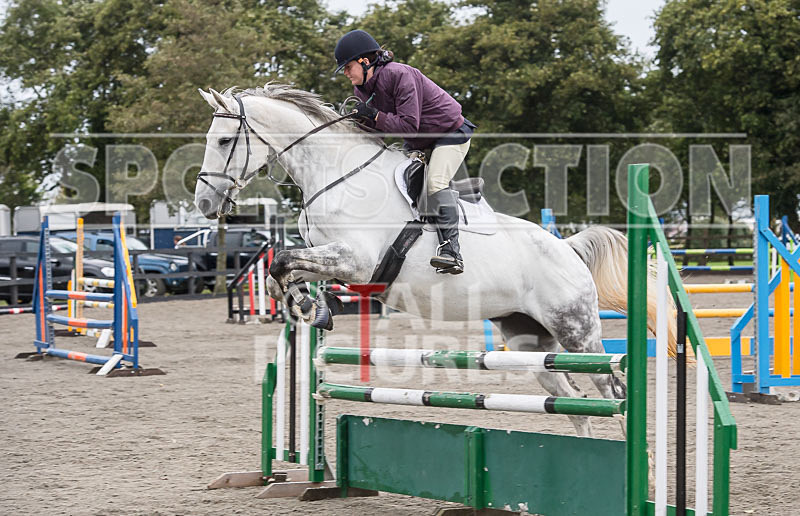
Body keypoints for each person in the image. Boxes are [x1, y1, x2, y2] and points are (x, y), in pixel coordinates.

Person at [334, 29, 475, 275]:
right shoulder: (362, 90)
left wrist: (375, 116)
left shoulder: (399, 75)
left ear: (365, 62)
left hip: (450, 134)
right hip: (419, 143)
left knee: (435, 184)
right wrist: (355, 126)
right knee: (396, 181)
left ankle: (452, 251)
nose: (346, 73)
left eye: (348, 67)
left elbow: (409, 125)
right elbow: (378, 136)